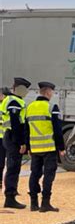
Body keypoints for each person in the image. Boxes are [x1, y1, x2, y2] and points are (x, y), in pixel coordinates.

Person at [25, 81, 65, 212]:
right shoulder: (52, 107)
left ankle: (33, 203)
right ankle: (45, 203)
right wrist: (61, 147)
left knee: (34, 174)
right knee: (48, 175)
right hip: (49, 148)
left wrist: (29, 147)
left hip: (35, 148)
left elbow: (26, 129)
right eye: (52, 92)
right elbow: (58, 130)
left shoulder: (30, 107)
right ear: (48, 92)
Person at [2, 77, 31, 209]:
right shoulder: (14, 101)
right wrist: (21, 143)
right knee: (13, 168)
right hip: (13, 137)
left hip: (9, 136)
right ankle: (10, 197)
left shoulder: (13, 100)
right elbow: (15, 124)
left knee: (13, 167)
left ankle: (11, 194)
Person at [0, 87, 11, 190]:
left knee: (4, 164)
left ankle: (6, 186)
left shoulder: (4, 106)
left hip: (4, 137)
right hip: (4, 137)